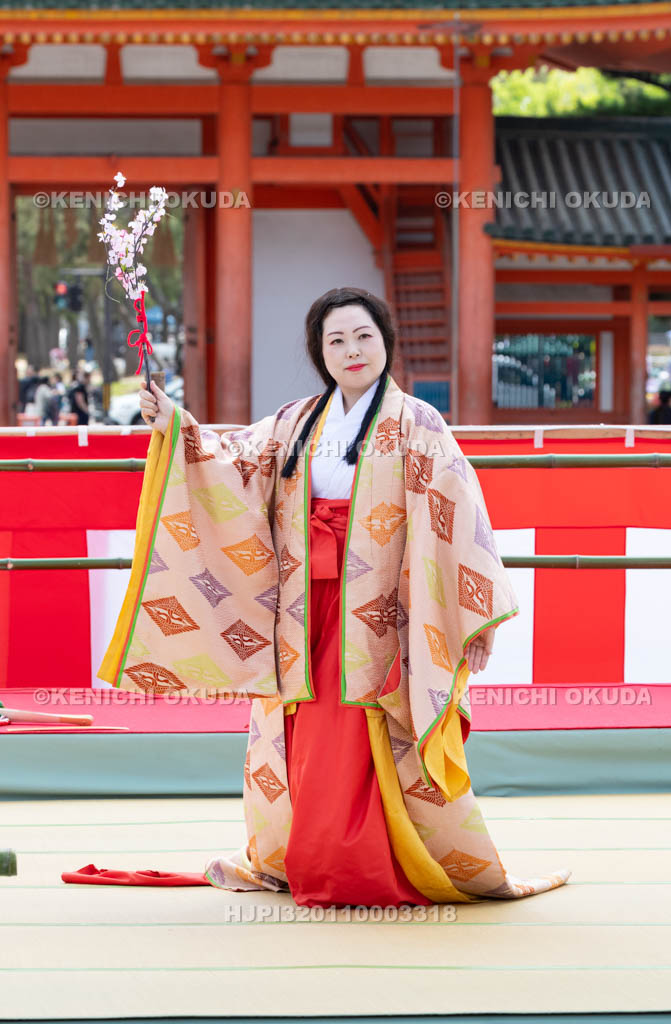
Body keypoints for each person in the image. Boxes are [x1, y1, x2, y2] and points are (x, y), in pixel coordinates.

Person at [99, 286, 570, 907]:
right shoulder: (296, 422)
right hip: (301, 614)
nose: (352, 350)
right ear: (320, 353)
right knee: (307, 735)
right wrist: (177, 424)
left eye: (363, 336)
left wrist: (473, 621)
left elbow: (458, 516)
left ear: (386, 343)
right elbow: (230, 464)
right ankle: (314, 860)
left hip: (381, 615)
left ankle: (375, 866)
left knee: (364, 734)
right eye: (336, 340)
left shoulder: (419, 423)